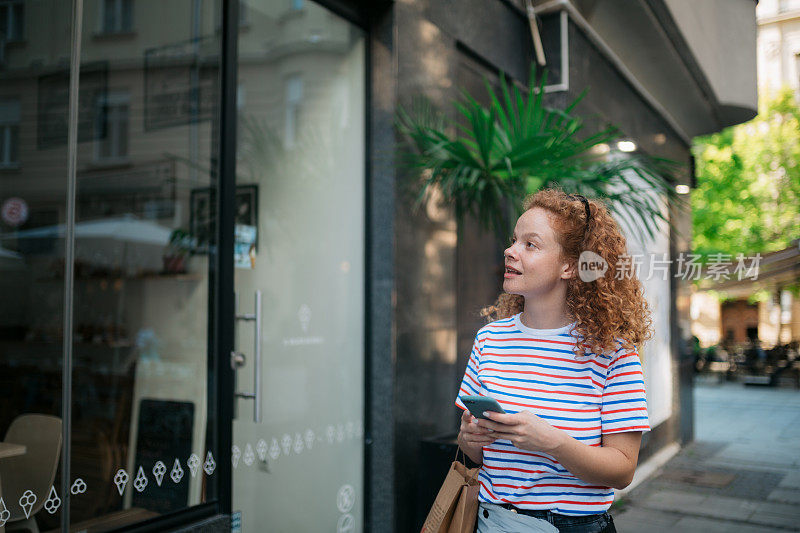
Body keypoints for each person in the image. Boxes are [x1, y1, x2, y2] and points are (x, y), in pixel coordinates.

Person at [455, 188, 653, 533]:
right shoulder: (489, 339)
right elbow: (475, 452)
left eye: (530, 244)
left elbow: (622, 470)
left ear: (569, 267)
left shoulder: (612, 351)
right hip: (491, 522)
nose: (510, 251)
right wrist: (470, 441)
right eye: (514, 240)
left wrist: (552, 442)